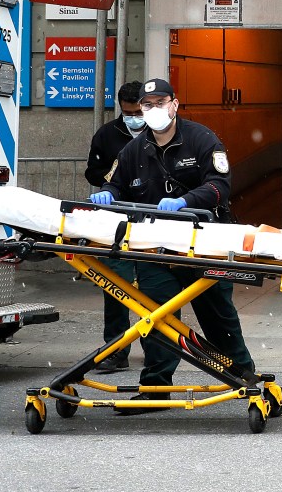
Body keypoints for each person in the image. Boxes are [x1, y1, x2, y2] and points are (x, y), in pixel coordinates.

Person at [90, 77, 255, 414]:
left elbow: (220, 185)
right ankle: (155, 389)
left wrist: (186, 201)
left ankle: (244, 377)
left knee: (218, 315)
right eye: (147, 106)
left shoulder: (202, 140)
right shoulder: (134, 150)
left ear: (175, 105)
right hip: (155, 248)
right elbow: (119, 186)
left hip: (203, 245)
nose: (152, 111)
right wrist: (110, 196)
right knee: (156, 316)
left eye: (159, 103)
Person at [83, 80, 144, 374]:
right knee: (116, 286)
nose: (134, 117)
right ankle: (116, 348)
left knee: (155, 287)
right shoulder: (108, 135)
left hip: (151, 217)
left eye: (138, 111)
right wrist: (112, 180)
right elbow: (92, 171)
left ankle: (158, 346)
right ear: (120, 108)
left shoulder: (161, 133)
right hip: (116, 218)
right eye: (128, 112)